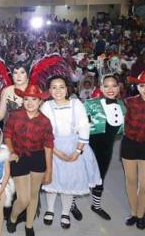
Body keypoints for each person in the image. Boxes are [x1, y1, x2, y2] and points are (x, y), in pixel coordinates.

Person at [40, 75, 101, 229]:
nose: (58, 90)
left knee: (70, 180)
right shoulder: (46, 106)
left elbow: (84, 127)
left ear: (67, 88)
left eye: (61, 86)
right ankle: (50, 209)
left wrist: (78, 151)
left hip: (74, 146)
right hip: (52, 147)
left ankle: (66, 212)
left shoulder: (76, 104)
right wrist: (56, 152)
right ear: (49, 90)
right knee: (52, 179)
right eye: (54, 87)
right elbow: (43, 132)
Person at [4, 85, 54, 236]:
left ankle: (29, 225)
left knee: (34, 195)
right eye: (26, 99)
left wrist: (49, 171)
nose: (30, 102)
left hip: (38, 158)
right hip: (19, 157)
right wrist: (11, 151)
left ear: (40, 101)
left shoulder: (45, 121)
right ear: (22, 100)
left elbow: (49, 145)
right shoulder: (15, 116)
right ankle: (12, 218)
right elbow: (7, 134)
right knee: (23, 199)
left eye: (34, 99)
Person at [84, 74, 126, 220]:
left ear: (118, 87)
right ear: (101, 88)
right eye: (106, 86)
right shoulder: (91, 103)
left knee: (100, 177)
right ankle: (70, 207)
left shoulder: (123, 106)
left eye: (114, 85)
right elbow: (79, 124)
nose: (110, 89)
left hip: (107, 150)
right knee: (80, 177)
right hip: (88, 148)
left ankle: (96, 206)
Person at [121, 71, 145, 230]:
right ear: (137, 86)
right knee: (130, 181)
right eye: (142, 86)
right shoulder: (129, 102)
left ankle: (141, 214)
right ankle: (134, 213)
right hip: (129, 145)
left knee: (144, 185)